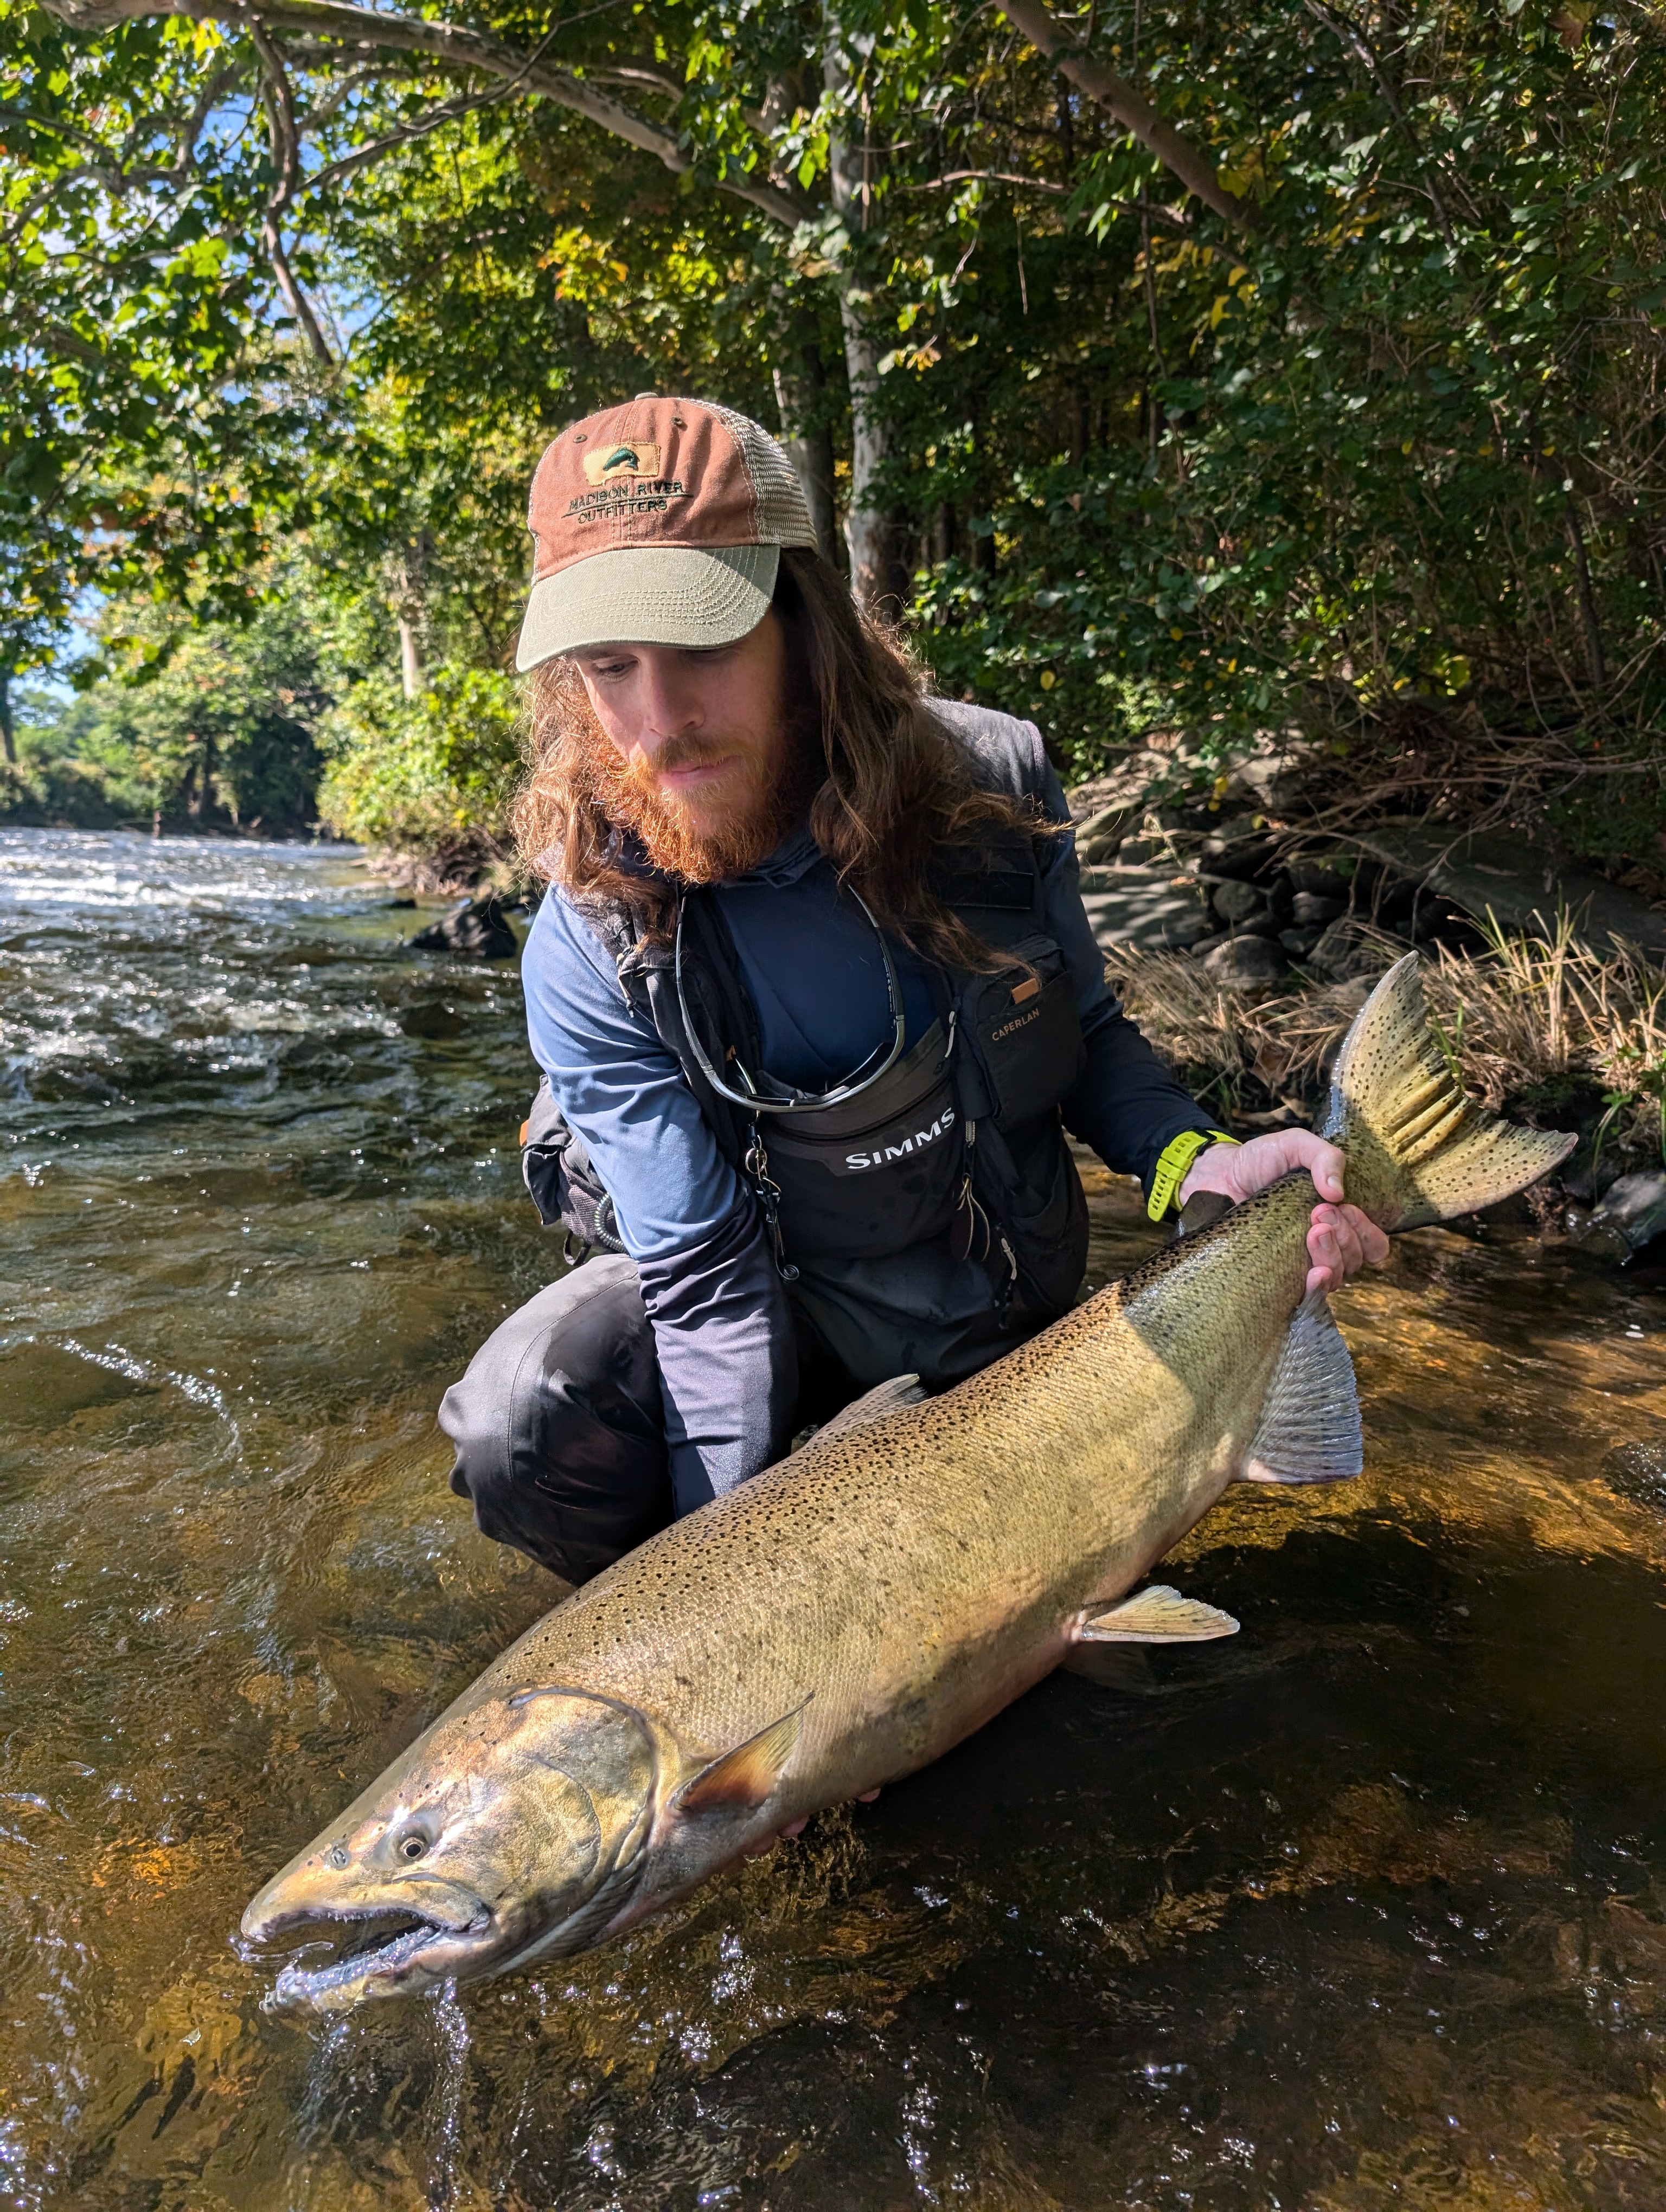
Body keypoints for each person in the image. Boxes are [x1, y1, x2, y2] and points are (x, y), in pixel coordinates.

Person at [440, 394, 1388, 1588]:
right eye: (609, 668)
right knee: (522, 1424)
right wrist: (747, 1603)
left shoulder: (987, 787)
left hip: (1011, 1322)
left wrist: (1193, 1162)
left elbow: (1081, 1036)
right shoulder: (589, 941)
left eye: (705, 645)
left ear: (805, 620)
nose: (660, 725)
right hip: (796, 1344)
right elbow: (704, 1283)